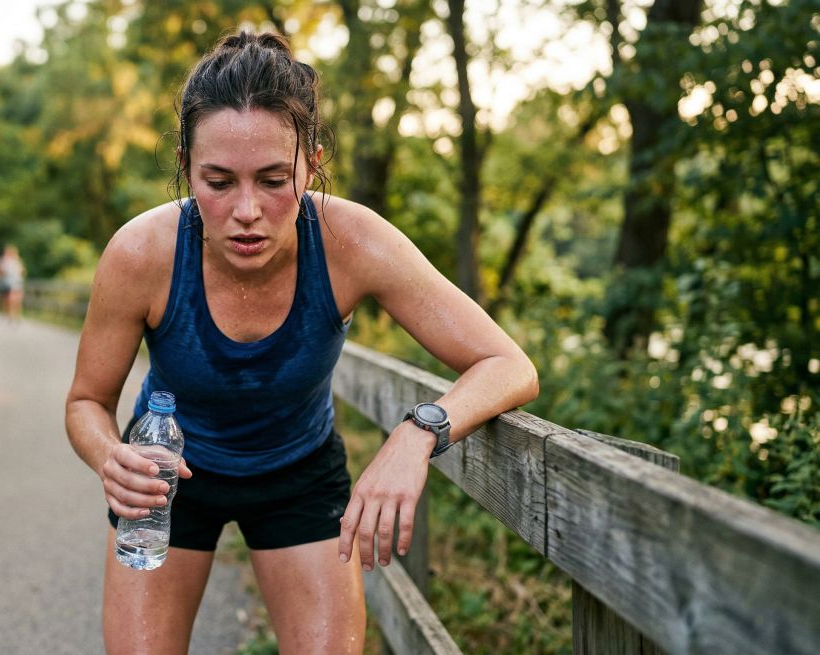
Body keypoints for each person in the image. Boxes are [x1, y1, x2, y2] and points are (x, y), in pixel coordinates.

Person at [64, 32, 539, 654]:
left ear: (311, 164)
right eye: (217, 180)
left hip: (298, 477)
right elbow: (85, 404)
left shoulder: (353, 242)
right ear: (185, 166)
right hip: (165, 482)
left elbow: (508, 364)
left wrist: (417, 434)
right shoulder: (139, 254)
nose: (246, 210)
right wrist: (108, 456)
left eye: (272, 179)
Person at [0, 245, 26, 322]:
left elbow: (23, 272)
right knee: (8, 300)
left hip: (17, 282)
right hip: (6, 283)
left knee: (17, 300)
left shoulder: (18, 261)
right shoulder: (3, 261)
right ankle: (8, 315)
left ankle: (17, 315)